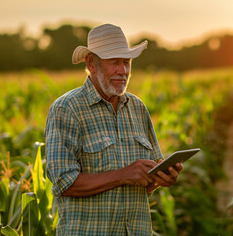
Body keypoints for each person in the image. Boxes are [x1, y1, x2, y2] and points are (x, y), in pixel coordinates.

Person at [45, 23, 183, 236]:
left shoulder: (137, 108)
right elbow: (64, 182)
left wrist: (160, 179)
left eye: (127, 62)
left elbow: (142, 182)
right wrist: (123, 175)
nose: (124, 70)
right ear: (91, 63)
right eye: (115, 62)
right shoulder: (68, 109)